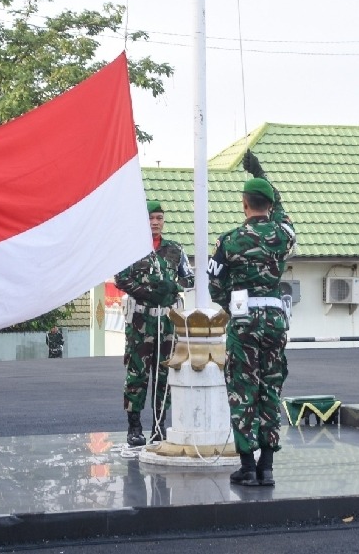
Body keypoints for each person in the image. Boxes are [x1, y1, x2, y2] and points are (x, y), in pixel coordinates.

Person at [208, 150, 296, 486]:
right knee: (270, 388)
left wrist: (234, 307)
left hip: (243, 322)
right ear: (269, 206)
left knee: (242, 390)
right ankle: (267, 466)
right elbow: (283, 213)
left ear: (244, 204)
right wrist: (262, 175)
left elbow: (215, 284)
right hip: (274, 320)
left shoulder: (229, 241)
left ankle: (247, 466)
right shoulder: (282, 235)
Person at [114, 200, 195, 446]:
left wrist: (173, 286)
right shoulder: (130, 249)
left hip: (167, 322)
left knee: (165, 373)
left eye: (159, 218)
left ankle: (159, 425)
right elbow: (120, 278)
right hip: (141, 321)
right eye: (151, 218)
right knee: (137, 373)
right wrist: (148, 292)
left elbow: (190, 279)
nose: (155, 222)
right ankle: (134, 427)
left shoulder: (175, 250)